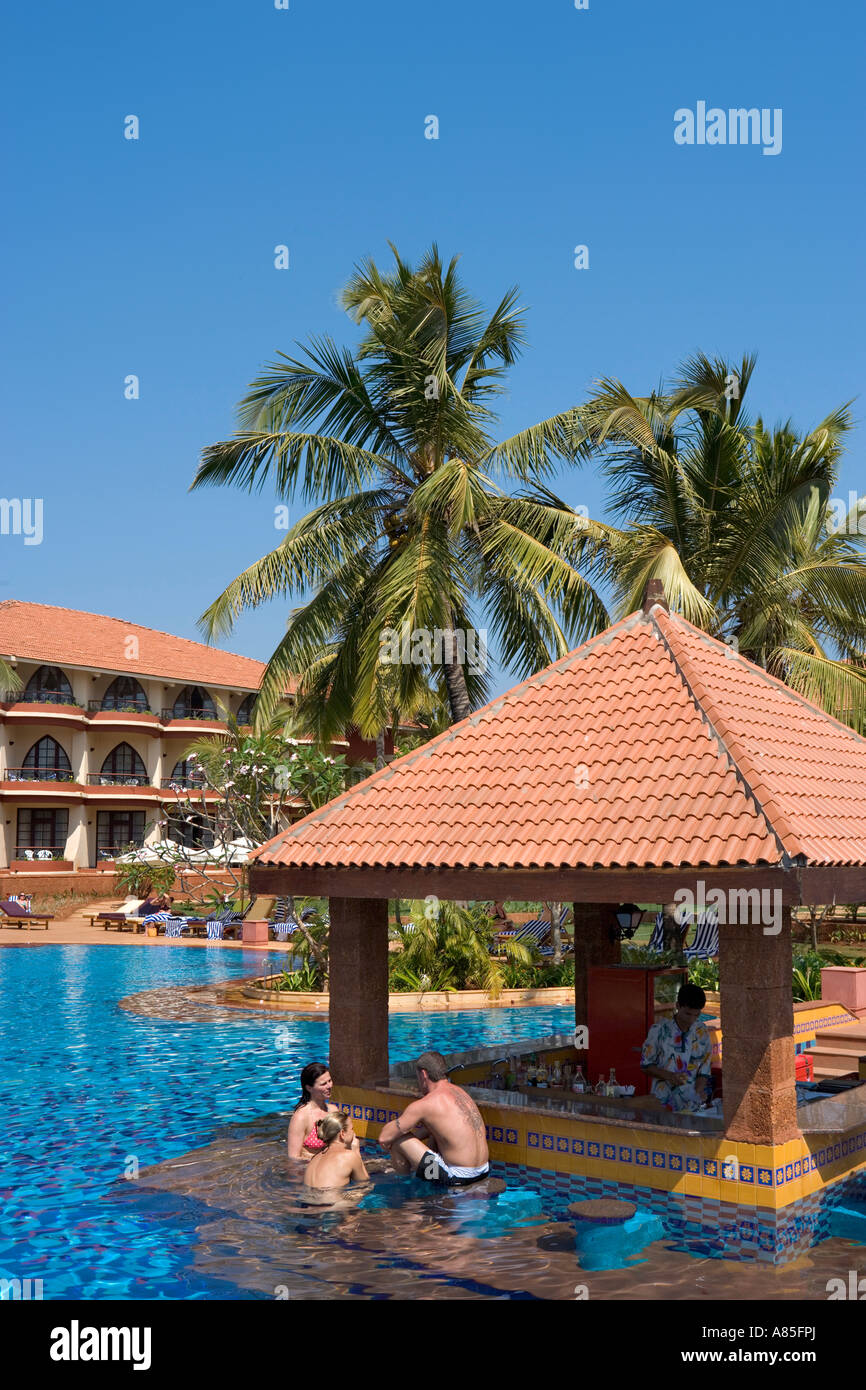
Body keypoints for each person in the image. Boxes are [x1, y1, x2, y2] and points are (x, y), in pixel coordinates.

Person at [377, 1050, 489, 1186]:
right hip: (483, 1171)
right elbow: (443, 1130)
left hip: (456, 1178)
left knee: (399, 1141)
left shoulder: (427, 1103)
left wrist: (395, 1142)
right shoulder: (460, 1093)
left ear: (423, 1074)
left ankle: (403, 1187)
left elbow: (384, 1137)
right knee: (431, 1135)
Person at [640, 982, 713, 1112]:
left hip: (691, 1107)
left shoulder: (702, 1031)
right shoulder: (659, 1030)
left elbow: (704, 1071)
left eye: (696, 1015)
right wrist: (669, 1076)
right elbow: (646, 1066)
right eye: (687, 1014)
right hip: (662, 1104)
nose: (691, 1019)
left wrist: (697, 1093)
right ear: (678, 1006)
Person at [286, 1062, 361, 1160]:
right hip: (310, 1168)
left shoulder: (333, 1110)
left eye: (330, 1081)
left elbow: (347, 1139)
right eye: (323, 1084)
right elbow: (294, 1158)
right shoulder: (301, 1117)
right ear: (309, 1088)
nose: (329, 1086)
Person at [302, 1113, 368, 1191]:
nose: (354, 1133)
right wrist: (356, 1152)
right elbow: (364, 1182)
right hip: (332, 1203)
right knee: (367, 1188)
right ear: (342, 1133)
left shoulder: (315, 1157)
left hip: (305, 1202)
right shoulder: (349, 1156)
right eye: (352, 1129)